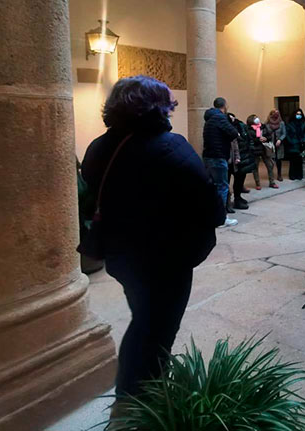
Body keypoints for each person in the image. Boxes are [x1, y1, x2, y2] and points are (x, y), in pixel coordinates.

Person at [81, 75, 224, 403]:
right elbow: (212, 210)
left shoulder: (100, 147)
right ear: (158, 107)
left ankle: (145, 387)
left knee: (144, 317)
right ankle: (134, 400)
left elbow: (92, 191)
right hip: (165, 261)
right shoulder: (171, 147)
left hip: (121, 256)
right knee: (155, 329)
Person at [203, 97, 240, 227]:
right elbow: (233, 133)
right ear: (224, 106)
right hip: (218, 157)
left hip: (208, 157)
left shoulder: (209, 118)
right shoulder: (220, 118)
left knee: (212, 187)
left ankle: (211, 215)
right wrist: (232, 122)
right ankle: (221, 218)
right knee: (222, 187)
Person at [228, 112, 256, 210]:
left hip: (243, 157)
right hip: (232, 158)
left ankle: (238, 197)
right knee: (228, 181)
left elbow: (248, 138)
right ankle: (229, 201)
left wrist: (251, 149)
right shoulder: (226, 127)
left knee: (239, 180)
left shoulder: (241, 125)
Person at [246, 114, 277, 190]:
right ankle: (258, 183)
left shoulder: (263, 126)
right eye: (255, 118)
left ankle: (272, 182)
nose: (257, 119)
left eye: (257, 117)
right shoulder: (249, 129)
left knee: (270, 165)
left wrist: (266, 138)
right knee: (255, 167)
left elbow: (269, 135)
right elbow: (249, 140)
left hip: (264, 149)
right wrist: (258, 140)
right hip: (255, 150)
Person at [285, 108, 305, 181]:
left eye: (300, 114)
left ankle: (299, 175)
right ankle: (292, 175)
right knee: (293, 161)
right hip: (293, 144)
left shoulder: (303, 123)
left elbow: (304, 133)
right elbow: (287, 134)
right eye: (297, 114)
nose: (299, 115)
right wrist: (291, 141)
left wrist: (304, 141)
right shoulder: (290, 124)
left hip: (300, 144)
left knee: (299, 160)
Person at [266, 109, 287, 182]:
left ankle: (279, 174)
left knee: (279, 160)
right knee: (271, 160)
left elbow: (284, 133)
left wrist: (280, 139)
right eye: (274, 113)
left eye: (277, 113)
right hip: (270, 143)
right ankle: (271, 175)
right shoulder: (267, 123)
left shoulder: (281, 123)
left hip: (279, 144)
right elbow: (266, 133)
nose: (276, 115)